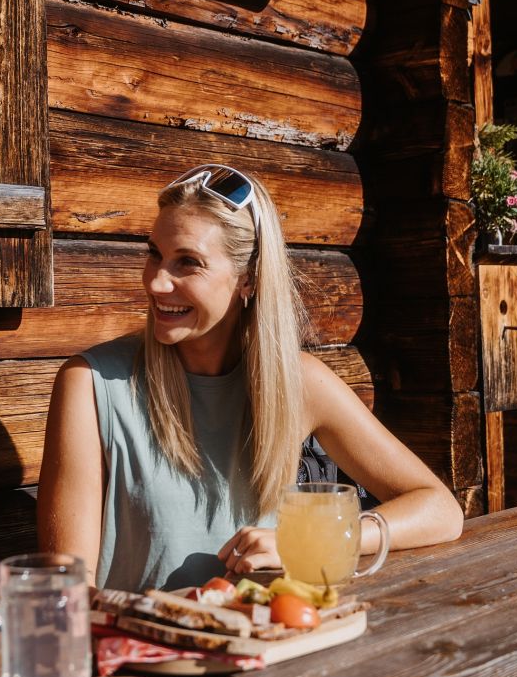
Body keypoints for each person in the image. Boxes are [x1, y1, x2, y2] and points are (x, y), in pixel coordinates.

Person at [38, 164, 464, 592]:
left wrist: (312, 541)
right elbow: (67, 587)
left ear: (249, 278)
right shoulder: (90, 385)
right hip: (145, 648)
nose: (156, 281)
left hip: (272, 638)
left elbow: (440, 509)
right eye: (154, 254)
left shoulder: (300, 381)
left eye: (188, 262)